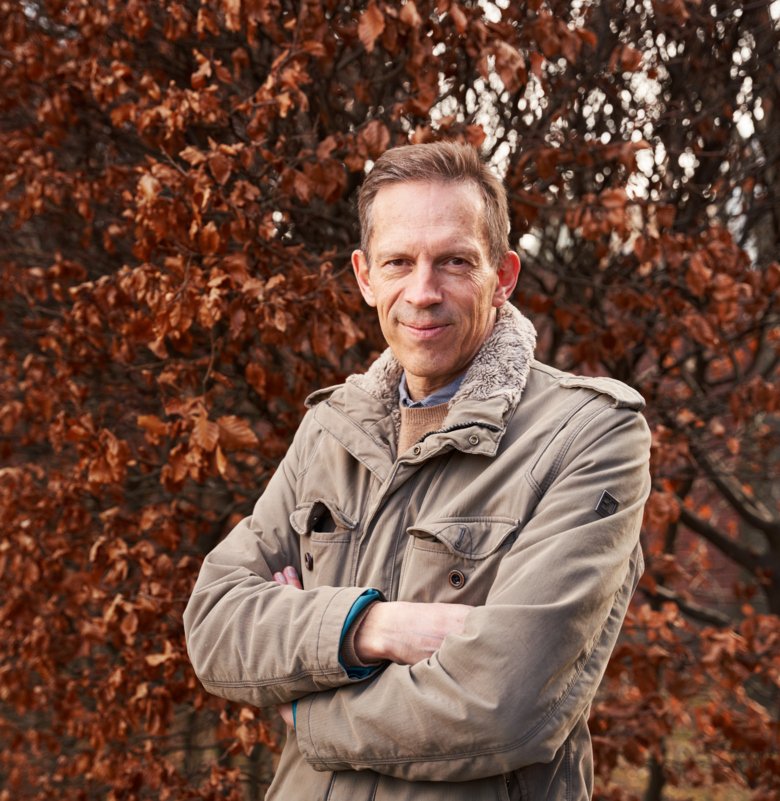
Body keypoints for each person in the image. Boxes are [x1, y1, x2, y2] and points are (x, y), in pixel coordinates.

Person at [183, 141, 651, 801]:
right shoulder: (330, 429)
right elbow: (215, 625)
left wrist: (306, 706)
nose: (423, 293)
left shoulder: (589, 433)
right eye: (398, 262)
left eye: (455, 261)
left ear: (503, 275)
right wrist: (372, 627)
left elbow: (503, 704)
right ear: (365, 276)